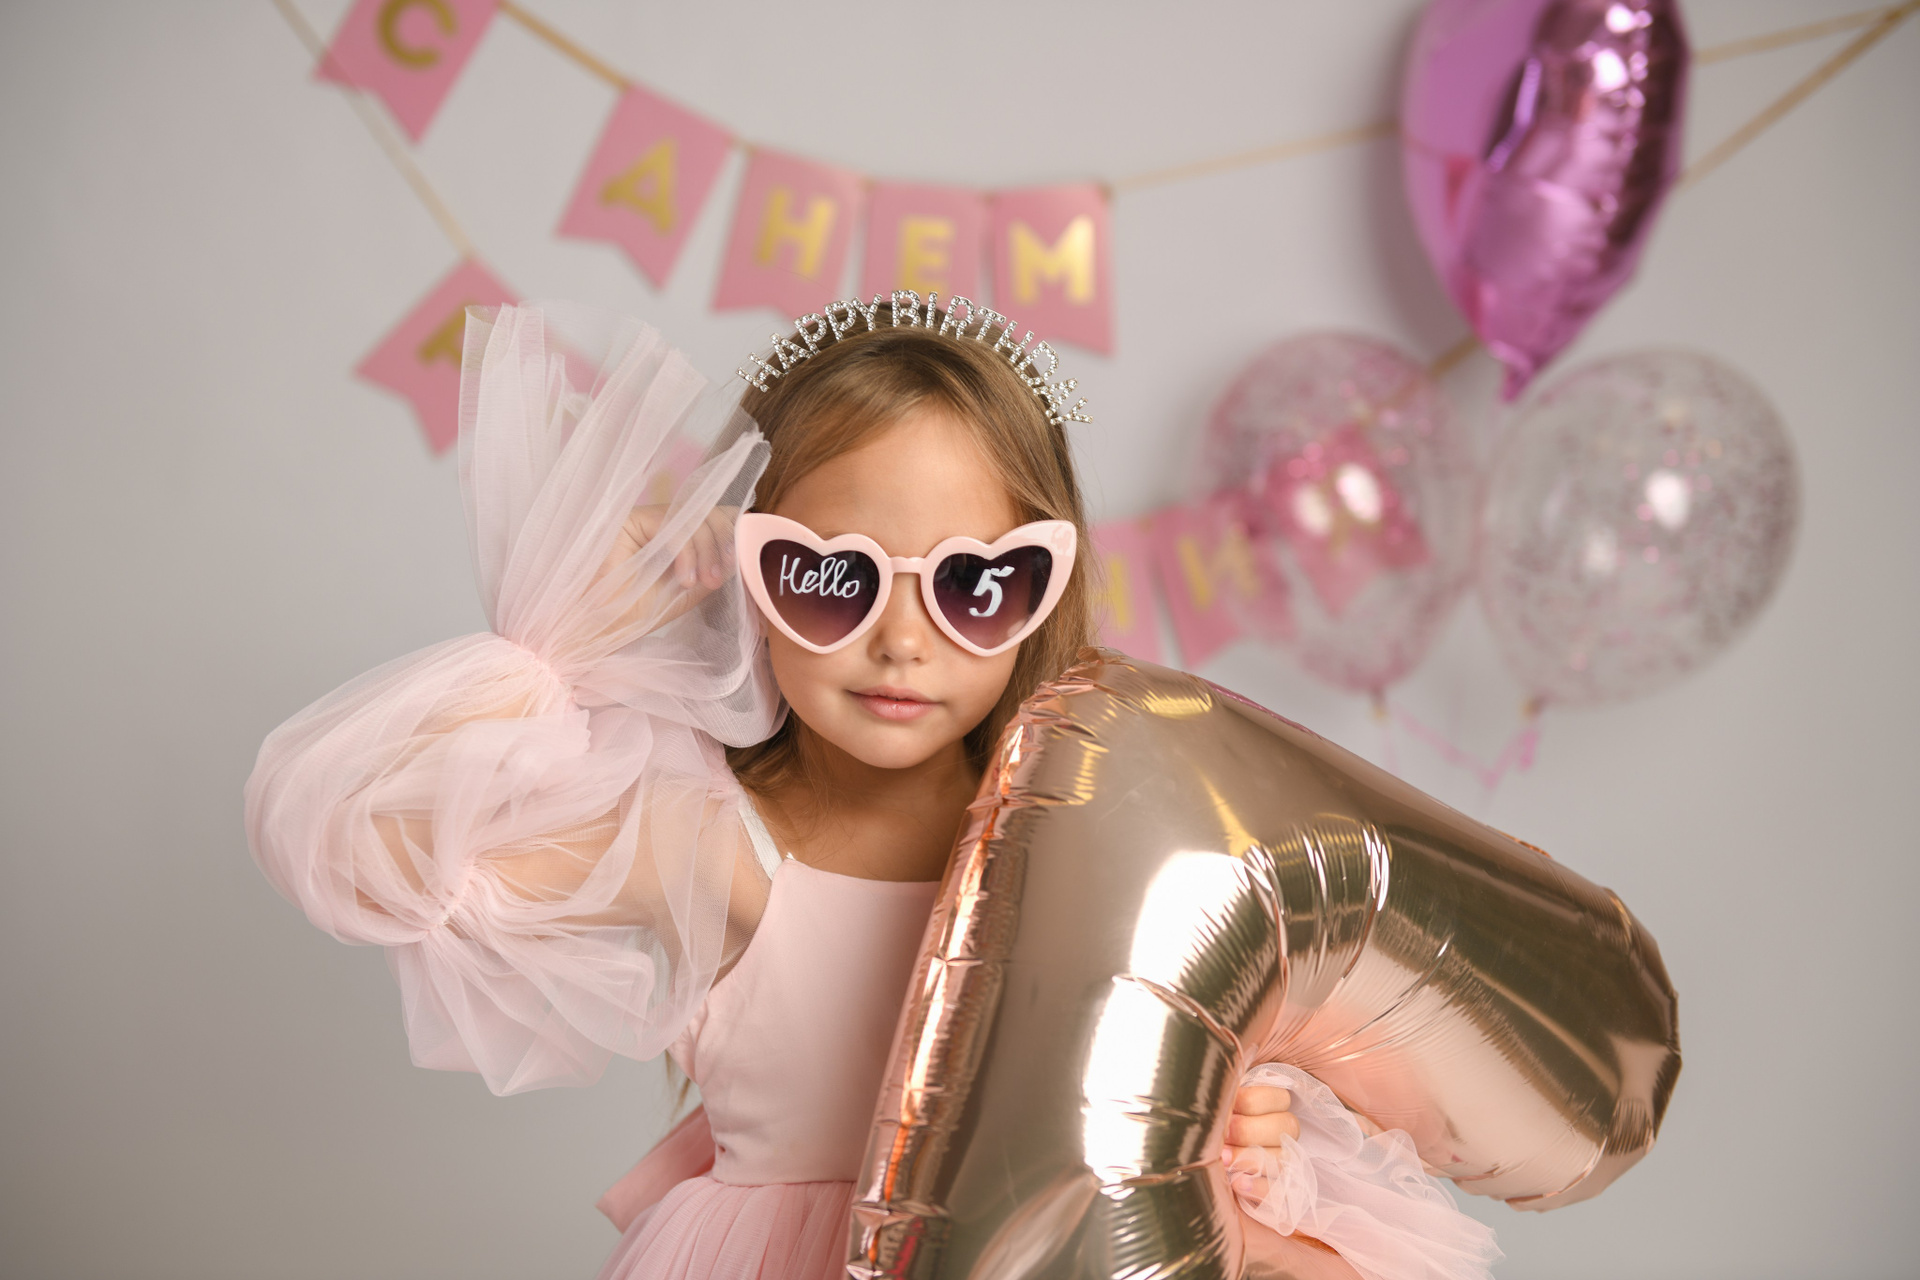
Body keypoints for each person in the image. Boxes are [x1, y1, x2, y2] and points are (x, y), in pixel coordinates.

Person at [246, 297, 1498, 1280]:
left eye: (973, 585)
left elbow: (1205, 1043)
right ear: (750, 572)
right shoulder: (717, 840)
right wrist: (597, 612)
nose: (902, 640)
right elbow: (357, 839)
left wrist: (1234, 1123)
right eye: (831, 579)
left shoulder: (1099, 831)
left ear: (1043, 591)